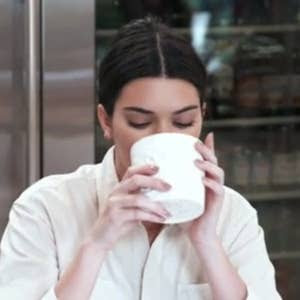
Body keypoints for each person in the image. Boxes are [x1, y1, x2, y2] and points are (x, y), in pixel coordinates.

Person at [0, 16, 281, 300]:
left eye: (183, 122)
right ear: (106, 121)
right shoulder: (46, 209)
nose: (163, 136)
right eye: (139, 122)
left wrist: (207, 242)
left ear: (202, 117)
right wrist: (97, 244)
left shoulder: (232, 215)